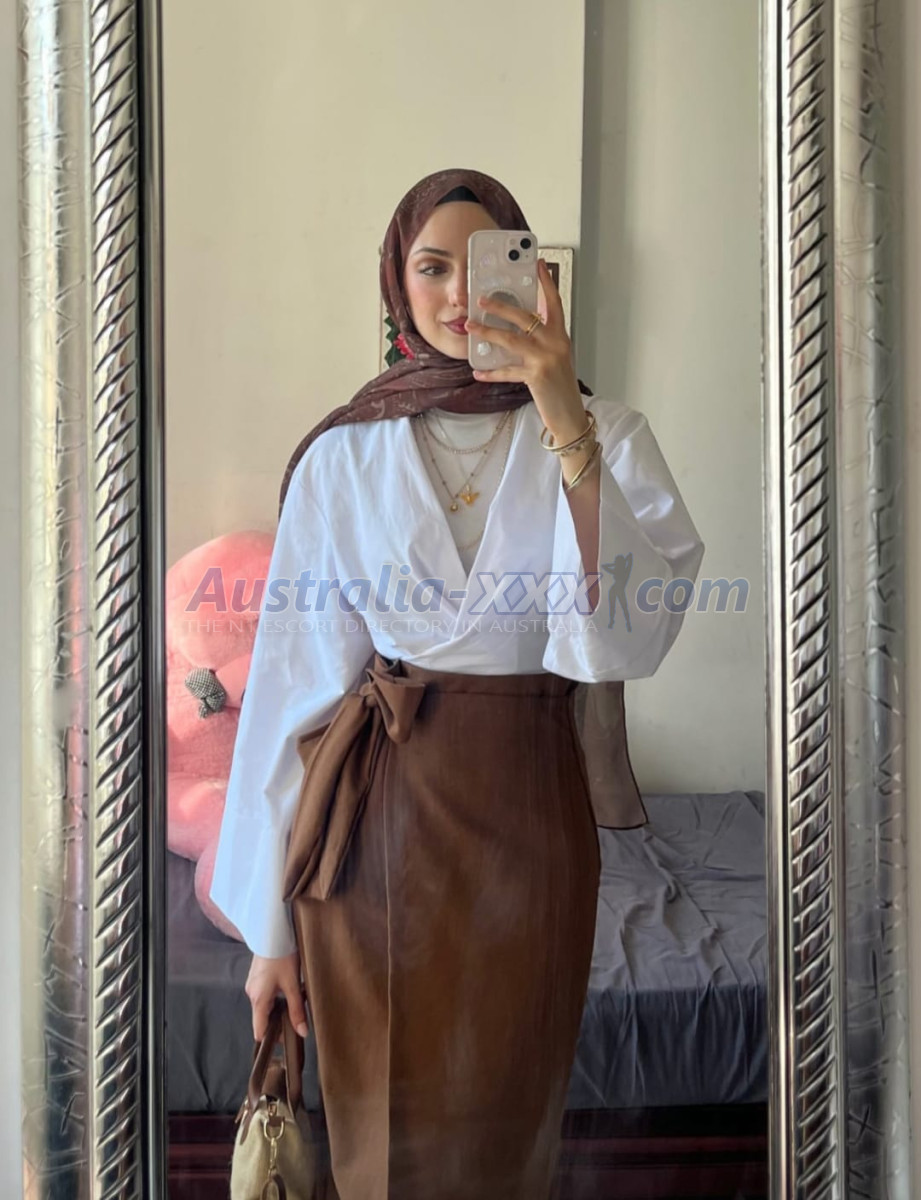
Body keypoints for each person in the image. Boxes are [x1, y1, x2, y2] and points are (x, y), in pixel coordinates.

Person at [211, 167, 704, 1200]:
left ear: (533, 275)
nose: (459, 294)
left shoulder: (608, 433)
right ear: (396, 282)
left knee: (508, 1128)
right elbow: (294, 692)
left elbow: (623, 639)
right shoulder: (344, 455)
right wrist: (268, 932)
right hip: (376, 829)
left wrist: (563, 416)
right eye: (432, 267)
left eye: (485, 265)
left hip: (533, 818)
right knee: (379, 1139)